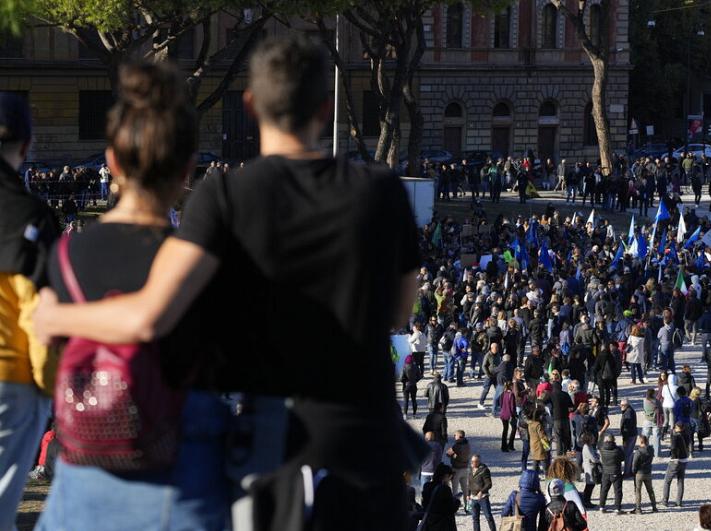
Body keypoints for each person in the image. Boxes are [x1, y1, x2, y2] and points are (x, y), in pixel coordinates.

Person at [33, 34, 424, 529]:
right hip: (368, 446)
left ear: (250, 104)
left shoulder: (223, 195)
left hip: (274, 452)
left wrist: (55, 315)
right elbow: (400, 313)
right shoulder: (384, 191)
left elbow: (153, 310)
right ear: (326, 108)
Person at [34, 63, 233, 531]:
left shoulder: (64, 254)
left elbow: (48, 363)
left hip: (81, 477)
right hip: (182, 480)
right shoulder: (196, 260)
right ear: (187, 169)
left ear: (112, 162)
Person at [0, 90, 58, 530]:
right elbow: (42, 315)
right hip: (11, 380)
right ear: (25, 144)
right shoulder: (32, 214)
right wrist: (49, 388)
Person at [421, 463, 460, 531]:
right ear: (445, 476)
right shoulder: (445, 489)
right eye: (450, 478)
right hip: (443, 525)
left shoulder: (427, 486)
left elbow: (424, 504)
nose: (449, 480)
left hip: (430, 522)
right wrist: (457, 501)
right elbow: (450, 509)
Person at [663, 422, 690, 508]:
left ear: (678, 427)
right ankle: (679, 501)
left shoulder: (676, 436)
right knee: (680, 481)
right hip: (684, 459)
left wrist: (673, 457)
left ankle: (665, 500)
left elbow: (673, 447)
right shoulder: (686, 434)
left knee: (667, 481)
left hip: (676, 461)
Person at [597, 434, 626, 514]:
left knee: (604, 490)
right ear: (614, 440)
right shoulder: (618, 450)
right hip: (616, 472)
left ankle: (601, 506)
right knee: (617, 491)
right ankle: (617, 508)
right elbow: (623, 458)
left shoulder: (602, 449)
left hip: (605, 472)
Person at [467, 455, 497, 531]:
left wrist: (482, 491)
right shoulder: (470, 470)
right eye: (472, 461)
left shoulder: (484, 470)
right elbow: (469, 483)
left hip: (483, 497)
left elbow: (489, 484)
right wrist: (468, 494)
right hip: (473, 498)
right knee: (475, 519)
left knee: (488, 516)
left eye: (475, 461)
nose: (473, 463)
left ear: (479, 462)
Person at [630, 435, 658, 514]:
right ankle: (654, 507)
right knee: (650, 490)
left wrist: (633, 472)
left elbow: (634, 464)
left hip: (639, 473)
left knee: (638, 491)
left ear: (641, 442)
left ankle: (638, 509)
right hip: (648, 472)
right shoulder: (651, 450)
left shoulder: (638, 452)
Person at [447, 430, 471, 511]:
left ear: (459, 436)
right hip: (465, 468)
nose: (454, 436)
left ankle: (454, 507)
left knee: (455, 490)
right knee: (465, 490)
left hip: (456, 469)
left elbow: (448, 453)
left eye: (455, 435)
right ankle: (467, 507)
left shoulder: (456, 445)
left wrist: (453, 455)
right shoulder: (467, 444)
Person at [580, 433, 601, 509]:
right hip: (589, 469)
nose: (594, 439)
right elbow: (594, 459)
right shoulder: (587, 447)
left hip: (591, 468)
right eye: (592, 438)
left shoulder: (589, 446)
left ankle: (587, 501)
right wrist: (598, 459)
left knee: (590, 486)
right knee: (589, 486)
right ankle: (586, 501)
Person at [619, 398, 638, 475]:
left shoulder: (628, 413)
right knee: (628, 453)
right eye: (621, 405)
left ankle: (627, 472)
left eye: (623, 405)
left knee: (628, 454)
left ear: (627, 405)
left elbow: (627, 426)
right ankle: (628, 470)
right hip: (630, 435)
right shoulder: (628, 410)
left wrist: (625, 438)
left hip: (629, 436)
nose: (621, 406)